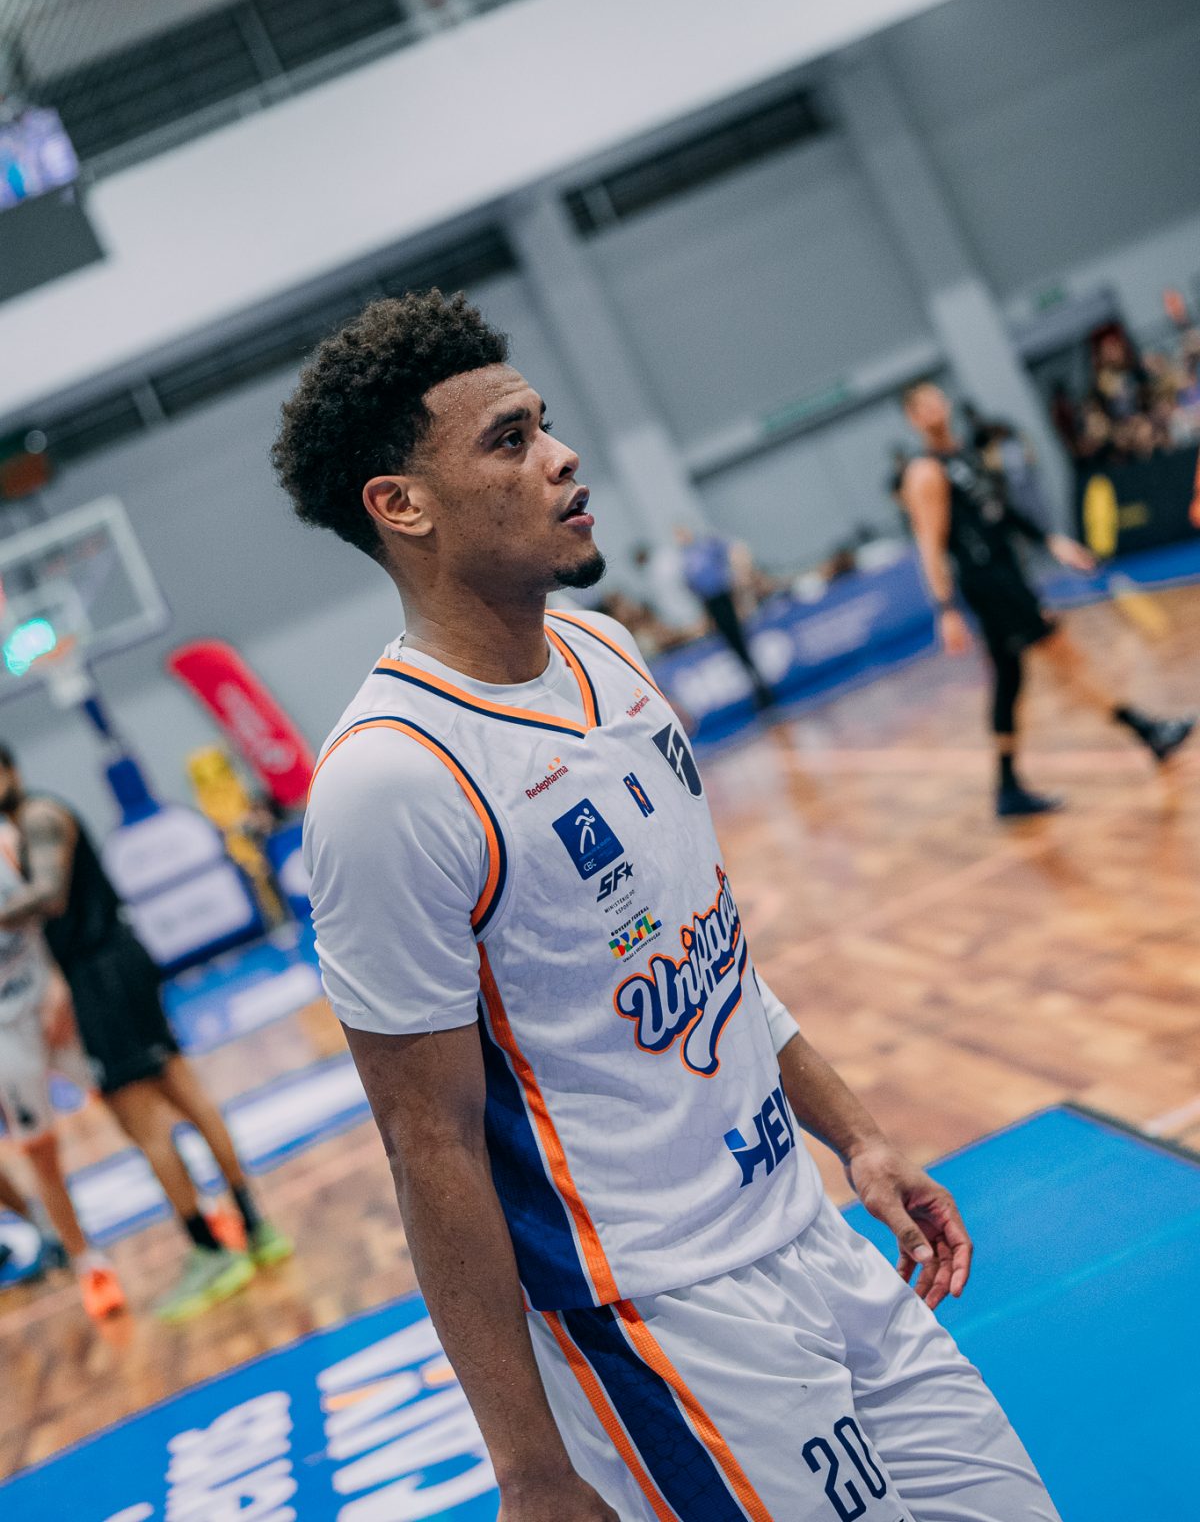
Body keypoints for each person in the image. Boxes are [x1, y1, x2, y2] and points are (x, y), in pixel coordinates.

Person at [274, 289, 1061, 1521]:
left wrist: (856, 1136)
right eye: (509, 440)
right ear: (401, 504)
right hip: (658, 1321)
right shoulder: (389, 784)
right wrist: (531, 1468)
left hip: (812, 1238)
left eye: (544, 423)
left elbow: (716, 956)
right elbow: (429, 1150)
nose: (561, 455)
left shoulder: (612, 655)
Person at [0, 745, 292, 1321]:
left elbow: (50, 896)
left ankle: (211, 1251)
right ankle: (255, 1226)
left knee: (144, 1120)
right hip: (115, 963)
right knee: (188, 1097)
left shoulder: (37, 816)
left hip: (99, 975)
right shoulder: (30, 822)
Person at [900, 382, 1193, 818]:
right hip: (989, 585)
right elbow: (930, 545)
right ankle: (1147, 731)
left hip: (1008, 574)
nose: (934, 409)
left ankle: (1008, 787)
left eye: (935, 399)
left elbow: (1002, 513)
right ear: (913, 419)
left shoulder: (964, 455)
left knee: (1009, 680)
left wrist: (1052, 541)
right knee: (1064, 653)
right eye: (922, 406)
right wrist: (946, 610)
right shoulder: (925, 472)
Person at [0, 814, 126, 1318]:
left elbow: (47, 909)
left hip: (53, 1000)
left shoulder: (9, 838)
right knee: (40, 1153)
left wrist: (57, 980)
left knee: (129, 1104)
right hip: (6, 1032)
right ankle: (87, 1264)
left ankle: (201, 1208)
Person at [675, 523, 776, 710]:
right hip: (713, 605)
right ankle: (757, 686)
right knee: (735, 647)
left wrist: (739, 585)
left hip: (725, 597)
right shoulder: (685, 560)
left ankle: (762, 684)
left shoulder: (707, 547)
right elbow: (692, 587)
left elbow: (735, 550)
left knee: (743, 642)